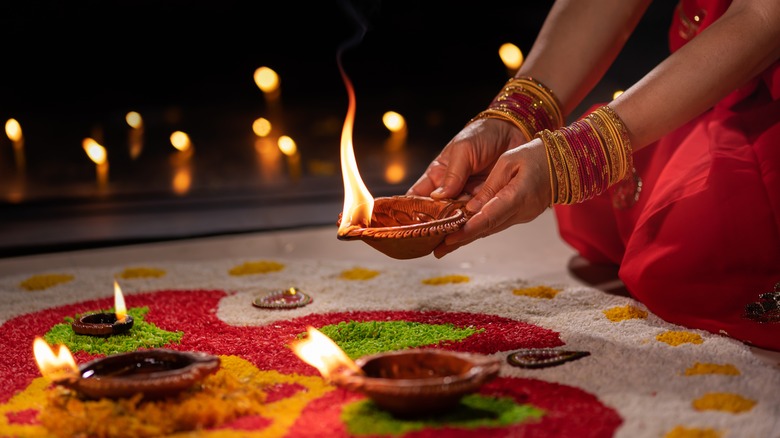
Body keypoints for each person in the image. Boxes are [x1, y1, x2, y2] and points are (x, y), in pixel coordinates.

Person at [407, 0, 780, 351]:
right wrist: (516, 115)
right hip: (722, 93)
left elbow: (762, 17)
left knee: (687, 251)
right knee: (602, 202)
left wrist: (580, 154)